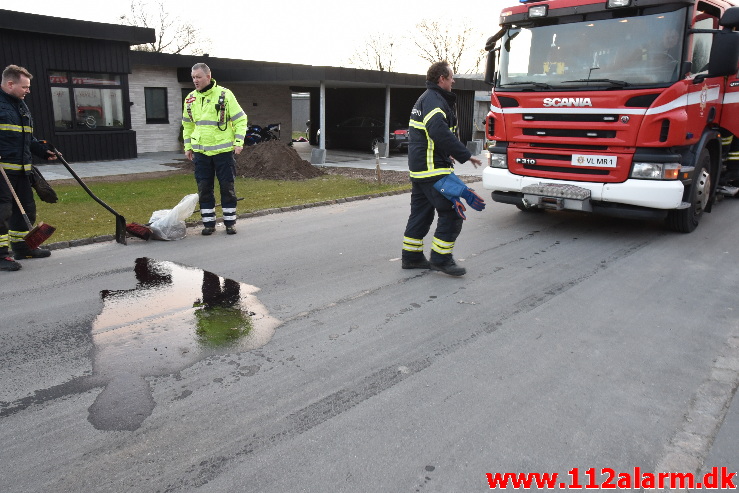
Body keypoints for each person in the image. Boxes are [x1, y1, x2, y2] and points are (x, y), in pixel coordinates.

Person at [401, 61, 484, 277]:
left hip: (421, 169)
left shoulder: (426, 99)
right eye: (451, 77)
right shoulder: (434, 101)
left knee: (421, 214)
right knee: (452, 212)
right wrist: (465, 155)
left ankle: (411, 257)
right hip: (432, 170)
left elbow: (429, 134)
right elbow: (438, 130)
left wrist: (445, 153)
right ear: (442, 79)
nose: (453, 81)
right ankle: (441, 259)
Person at [0, 64, 57, 272]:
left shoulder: (21, 106)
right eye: (25, 87)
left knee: (26, 210)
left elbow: (26, 138)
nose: (28, 91)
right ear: (10, 83)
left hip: (22, 170)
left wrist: (42, 151)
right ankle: (0, 256)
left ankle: (23, 248)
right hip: (2, 172)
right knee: (2, 212)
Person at [182, 63, 247, 235]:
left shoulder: (225, 95)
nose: (195, 80)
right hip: (201, 153)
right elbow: (187, 125)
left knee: (227, 187)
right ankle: (208, 224)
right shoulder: (190, 98)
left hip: (223, 152)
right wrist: (188, 146)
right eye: (193, 77)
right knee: (204, 188)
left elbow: (241, 119)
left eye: (198, 77)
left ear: (208, 77)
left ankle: (230, 223)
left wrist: (239, 142)